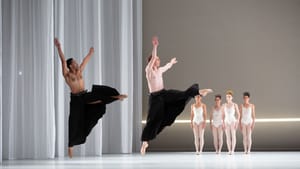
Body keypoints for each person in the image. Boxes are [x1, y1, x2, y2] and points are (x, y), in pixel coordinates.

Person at [54, 38, 127, 158]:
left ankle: (116, 97)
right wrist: (59, 47)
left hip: (85, 95)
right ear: (70, 65)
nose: (77, 63)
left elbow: (84, 62)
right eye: (74, 63)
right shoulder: (67, 75)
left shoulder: (79, 72)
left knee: (99, 98)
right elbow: (62, 60)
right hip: (76, 100)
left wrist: (90, 53)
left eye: (76, 62)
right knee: (74, 122)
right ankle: (70, 146)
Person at [140, 36, 213, 155]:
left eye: (158, 59)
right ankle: (145, 142)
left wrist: (171, 63)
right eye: (157, 60)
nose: (158, 60)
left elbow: (166, 67)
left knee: (181, 95)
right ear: (152, 61)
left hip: (164, 94)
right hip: (155, 98)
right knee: (153, 120)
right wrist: (155, 46)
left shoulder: (159, 70)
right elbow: (153, 57)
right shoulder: (148, 70)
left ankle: (198, 92)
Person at [222, 90, 240, 155]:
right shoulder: (224, 105)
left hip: (232, 121)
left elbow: (238, 114)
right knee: (228, 136)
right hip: (226, 121)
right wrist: (223, 123)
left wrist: (237, 122)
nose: (228, 98)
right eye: (227, 97)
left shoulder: (235, 105)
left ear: (232, 97)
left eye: (229, 96)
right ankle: (229, 150)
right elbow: (222, 115)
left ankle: (233, 150)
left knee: (233, 135)